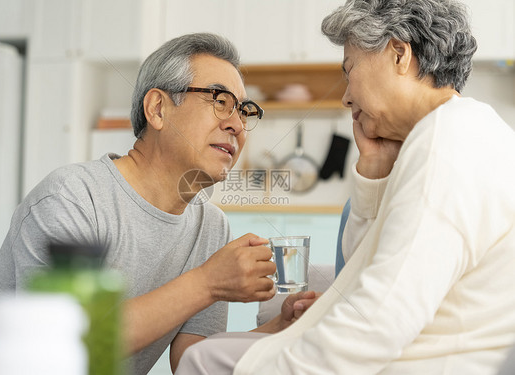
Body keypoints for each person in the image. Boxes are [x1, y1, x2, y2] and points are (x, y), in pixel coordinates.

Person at [175, 1, 515, 374]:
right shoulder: (466, 130)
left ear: (399, 55)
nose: (346, 96)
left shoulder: (446, 142)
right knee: (207, 356)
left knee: (206, 361)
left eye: (349, 70)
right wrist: (372, 171)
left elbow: (378, 323)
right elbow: (360, 277)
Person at [0, 33, 315, 374]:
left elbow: (193, 358)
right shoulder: (71, 199)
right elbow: (66, 347)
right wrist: (207, 282)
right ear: (158, 109)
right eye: (220, 100)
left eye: (244, 110)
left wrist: (279, 328)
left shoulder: (211, 225)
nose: (236, 124)